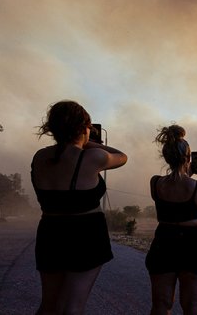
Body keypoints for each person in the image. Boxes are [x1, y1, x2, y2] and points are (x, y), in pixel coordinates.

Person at [31, 100, 127, 314]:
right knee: (73, 306)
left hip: (50, 232)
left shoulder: (40, 157)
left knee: (49, 305)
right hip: (86, 234)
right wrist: (92, 143)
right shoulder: (93, 157)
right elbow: (122, 157)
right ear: (85, 127)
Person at [146, 125, 197, 315]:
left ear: (167, 157)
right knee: (192, 305)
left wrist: (185, 173)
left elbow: (172, 195)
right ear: (188, 158)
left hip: (163, 243)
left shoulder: (155, 183)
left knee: (161, 305)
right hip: (192, 245)